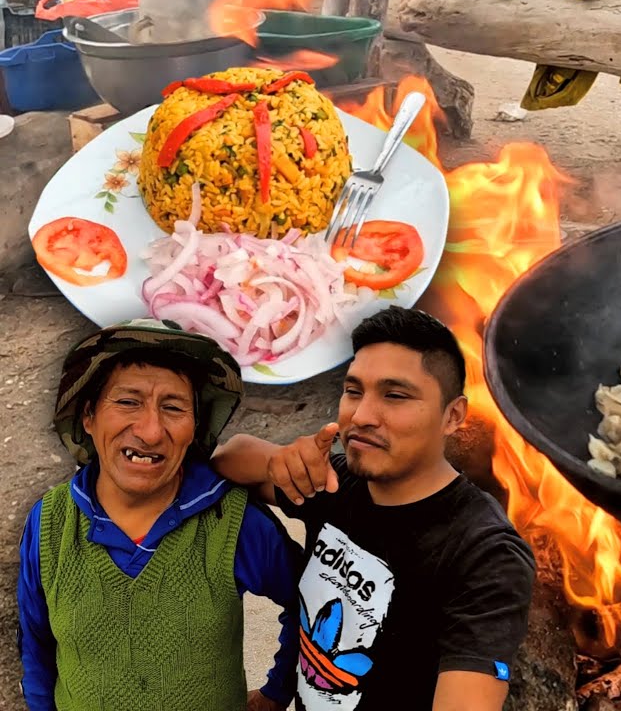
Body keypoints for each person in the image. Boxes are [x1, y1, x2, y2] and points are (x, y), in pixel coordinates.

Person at [212, 305, 536, 711]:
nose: (361, 416)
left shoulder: (485, 553)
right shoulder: (339, 483)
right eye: (352, 391)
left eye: (394, 395)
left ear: (452, 416)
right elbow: (229, 459)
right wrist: (281, 459)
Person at [17, 318, 300, 711]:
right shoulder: (50, 523)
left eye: (173, 407)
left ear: (195, 428)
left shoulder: (233, 522)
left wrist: (278, 690)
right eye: (128, 401)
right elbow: (36, 643)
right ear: (88, 416)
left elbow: (311, 600)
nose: (150, 431)